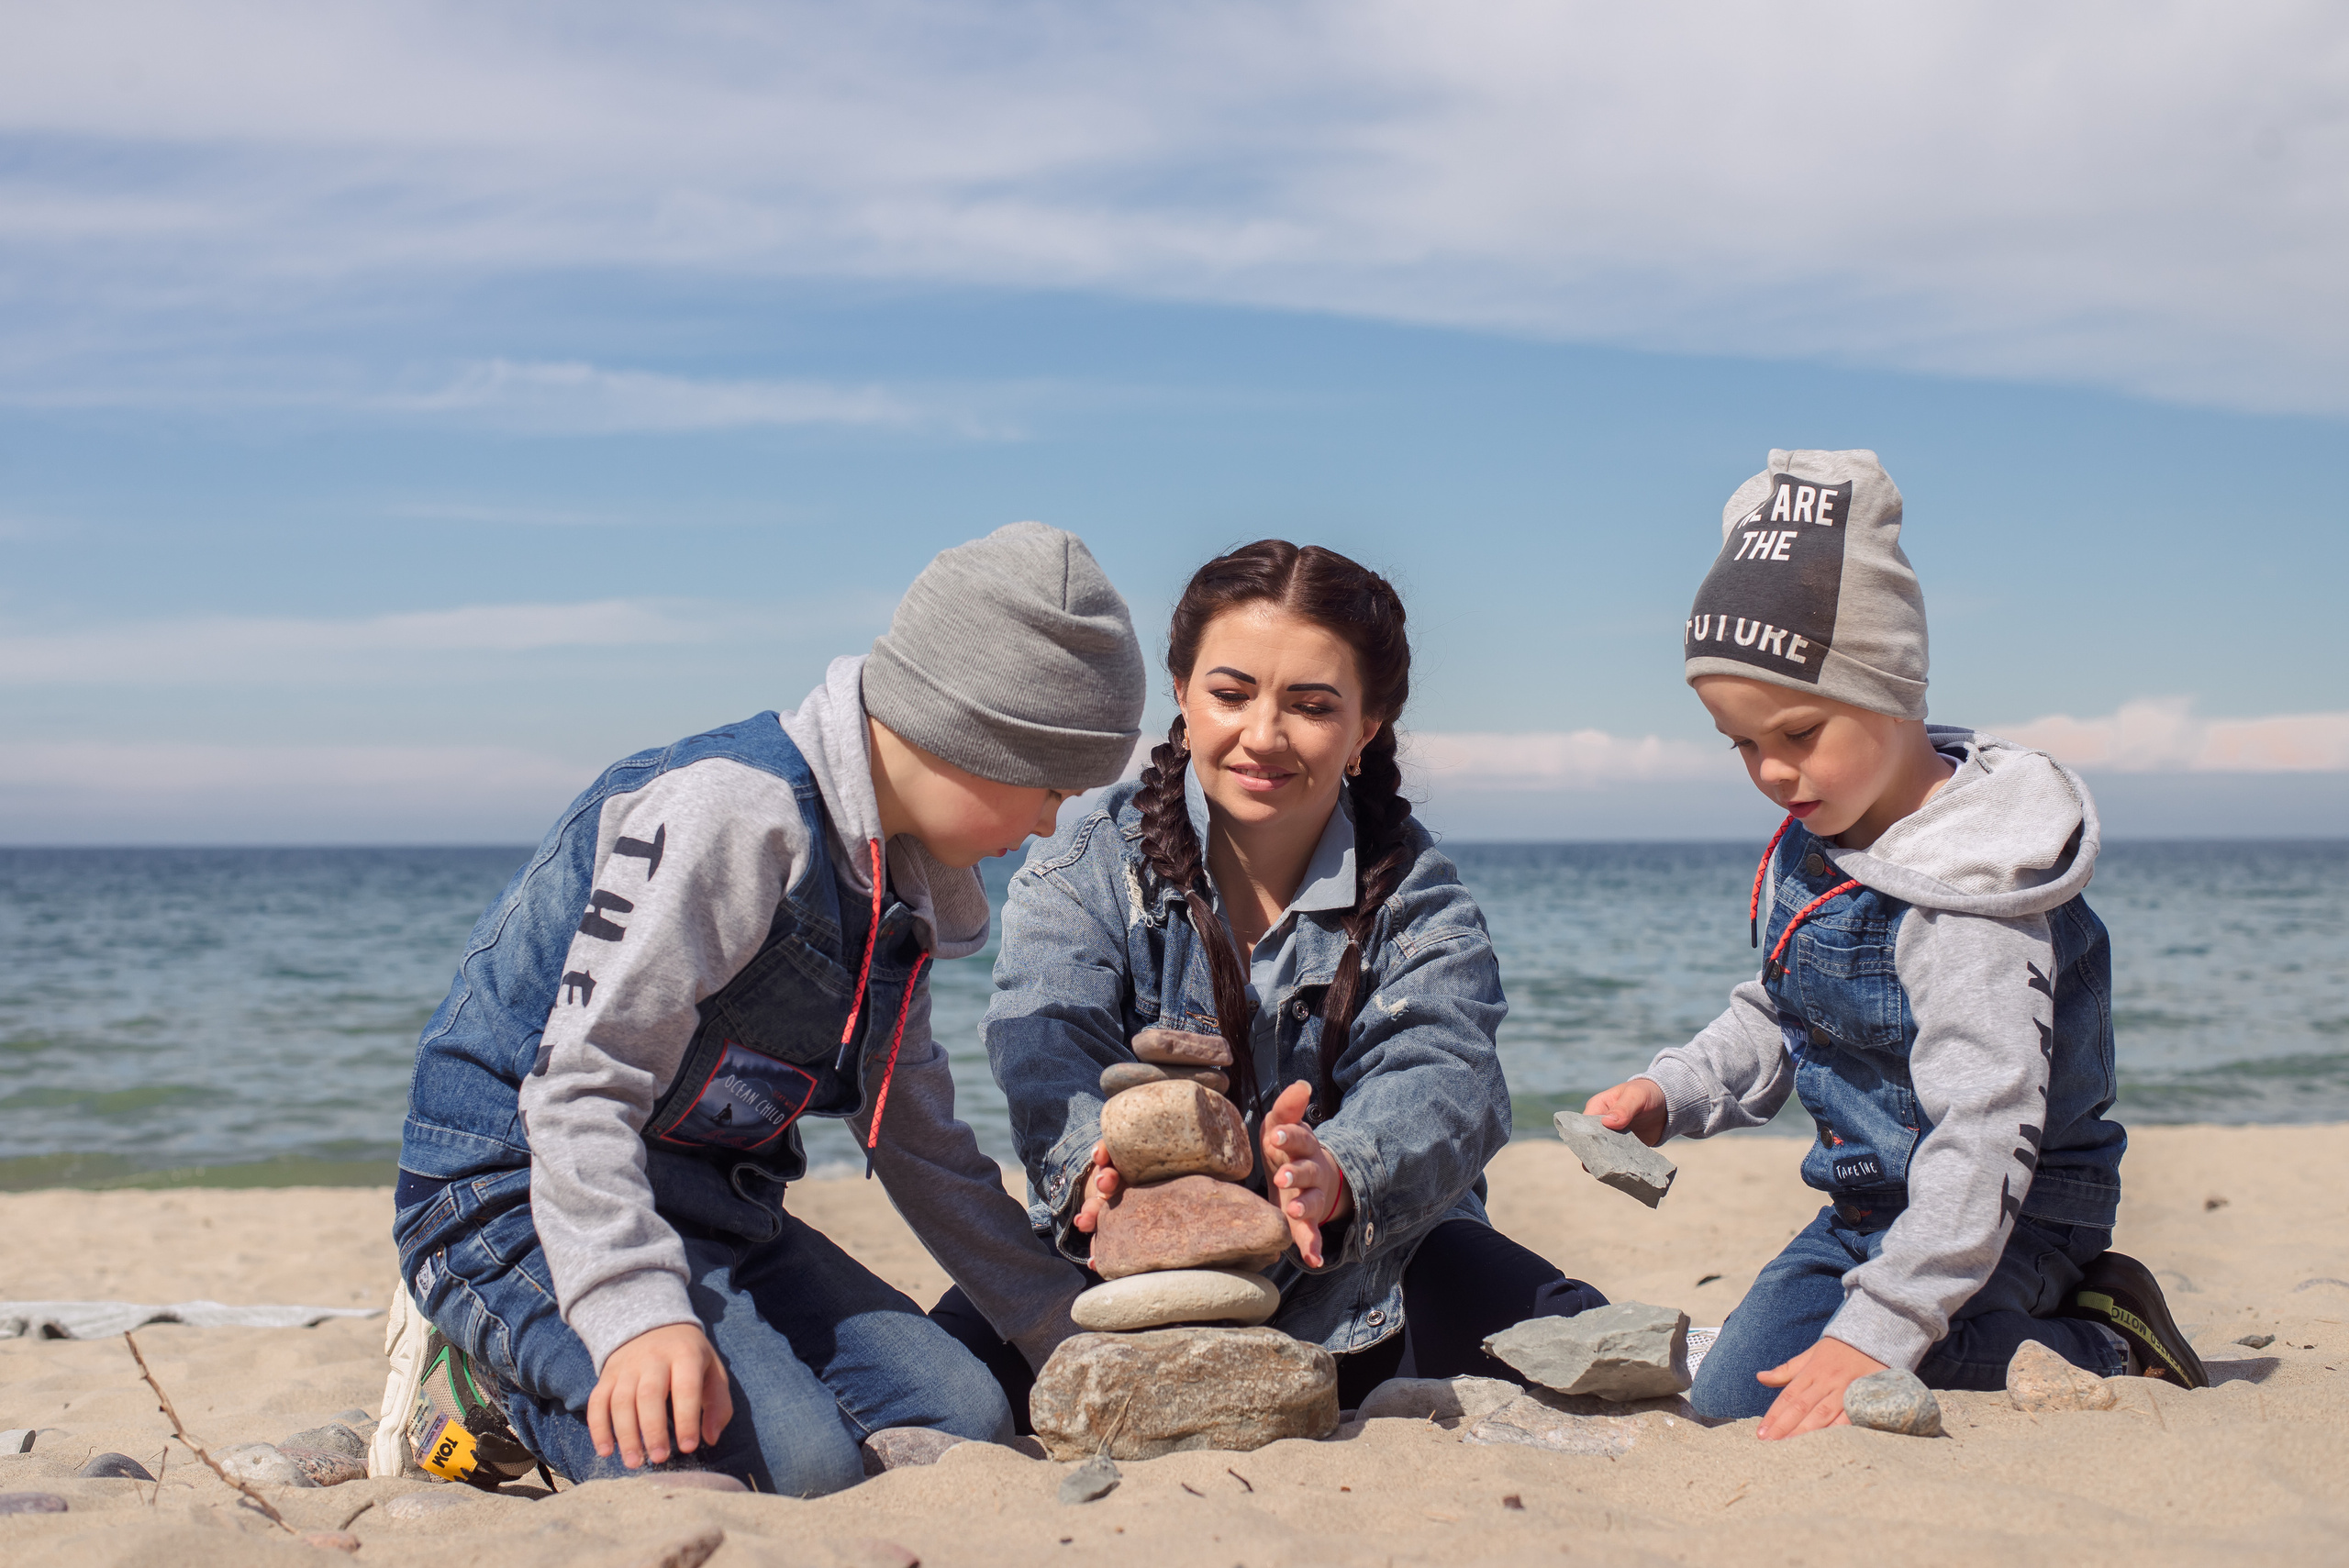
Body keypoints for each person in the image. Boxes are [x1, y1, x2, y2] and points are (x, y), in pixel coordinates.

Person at [382, 523, 1138, 1496]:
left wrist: (1052, 1325)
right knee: (776, 1463)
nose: (1045, 824)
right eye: (1047, 787)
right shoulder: (734, 817)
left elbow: (917, 1140)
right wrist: (634, 1310)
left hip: (714, 1204)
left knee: (965, 1414)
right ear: (969, 732)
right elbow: (580, 1083)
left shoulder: (904, 892)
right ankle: (485, 1377)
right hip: (516, 1192)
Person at [1586, 450, 2207, 1440]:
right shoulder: (1825, 830)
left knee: (1917, 1354)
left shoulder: (1967, 893)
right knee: (1735, 1396)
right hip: (1867, 1207)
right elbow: (1782, 1006)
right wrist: (1675, 1089)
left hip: (2016, 1207)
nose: (1771, 771)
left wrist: (1882, 1325)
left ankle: (2106, 1329)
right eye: (1740, 742)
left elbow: (1986, 1128)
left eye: (1797, 731)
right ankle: (1913, 1312)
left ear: (1897, 689)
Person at [944, 539, 1605, 1418]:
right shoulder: (1086, 866)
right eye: (1230, 693)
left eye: (1311, 704)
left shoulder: (1418, 896)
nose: (1263, 734)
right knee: (944, 1380)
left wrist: (1338, 1169)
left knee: (1569, 1333)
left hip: (1373, 1269)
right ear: (1180, 694)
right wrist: (1092, 1171)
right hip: (1121, 1258)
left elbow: (1450, 1074)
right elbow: (1042, 1040)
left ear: (1367, 727)